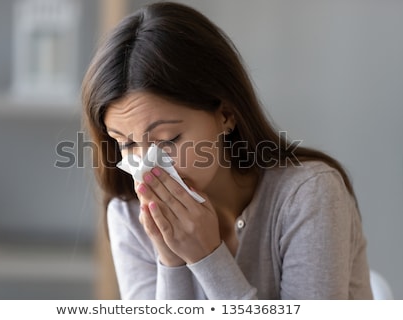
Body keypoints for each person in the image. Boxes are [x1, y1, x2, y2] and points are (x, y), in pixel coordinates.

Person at [81, 1, 373, 299]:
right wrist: (172, 261)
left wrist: (208, 258)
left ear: (226, 115)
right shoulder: (130, 217)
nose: (147, 167)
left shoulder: (307, 196)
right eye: (127, 144)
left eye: (168, 139)